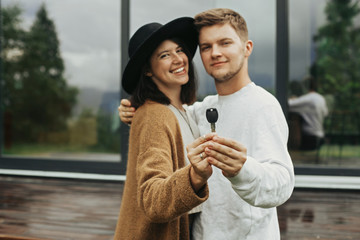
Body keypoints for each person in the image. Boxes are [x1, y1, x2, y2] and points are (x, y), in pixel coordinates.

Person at [119, 8, 295, 240]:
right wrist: (135, 112)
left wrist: (242, 169)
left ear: (246, 48)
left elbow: (282, 183)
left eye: (225, 43)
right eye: (206, 47)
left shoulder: (263, 105)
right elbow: (166, 124)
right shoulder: (200, 110)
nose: (215, 53)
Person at [114, 17, 215, 240]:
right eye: (164, 55)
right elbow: (153, 199)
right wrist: (195, 177)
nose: (178, 59)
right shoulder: (155, 115)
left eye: (179, 50)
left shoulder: (183, 111)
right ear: (148, 71)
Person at [288, 76, 329, 150]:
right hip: (320, 137)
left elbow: (288, 104)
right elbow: (326, 113)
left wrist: (293, 99)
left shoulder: (308, 99)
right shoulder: (320, 98)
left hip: (309, 139)